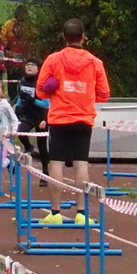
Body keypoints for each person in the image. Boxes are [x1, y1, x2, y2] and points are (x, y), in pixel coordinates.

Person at [35, 17, 110, 187]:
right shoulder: (95, 62)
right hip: (83, 118)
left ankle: (55, 205)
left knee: (56, 163)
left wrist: (54, 89)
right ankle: (81, 204)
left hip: (59, 118)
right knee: (81, 163)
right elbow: (104, 95)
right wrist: (85, 94)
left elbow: (39, 92)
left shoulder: (52, 60)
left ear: (63, 36)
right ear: (83, 37)